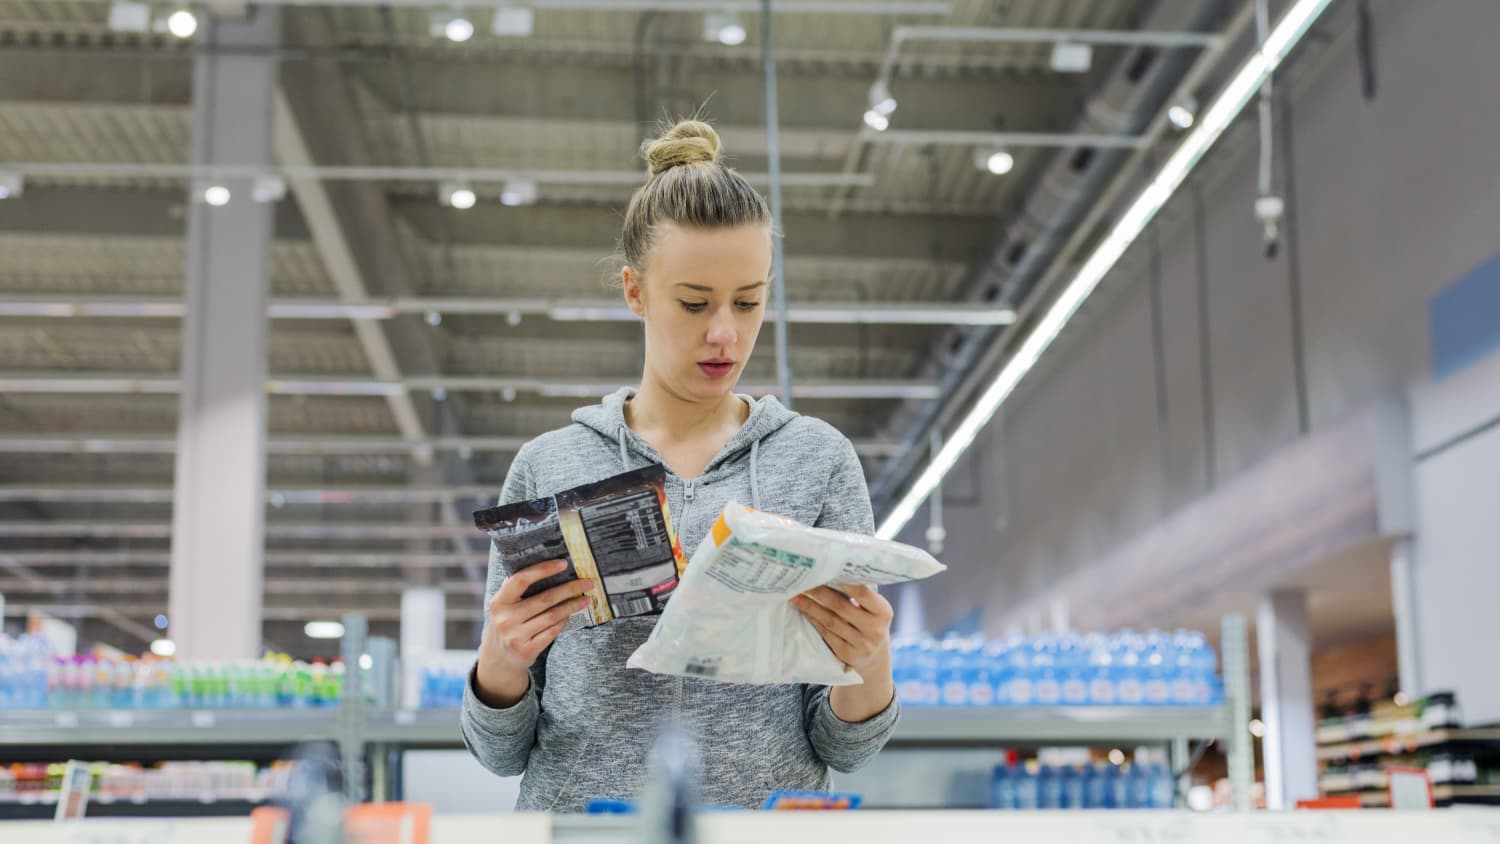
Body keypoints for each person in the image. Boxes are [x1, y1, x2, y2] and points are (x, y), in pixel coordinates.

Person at [460, 119, 900, 812]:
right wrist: (501, 661)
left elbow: (847, 747)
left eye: (749, 301)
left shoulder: (817, 461)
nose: (725, 332)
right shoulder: (551, 466)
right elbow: (499, 752)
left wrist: (868, 660)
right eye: (694, 303)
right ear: (634, 292)